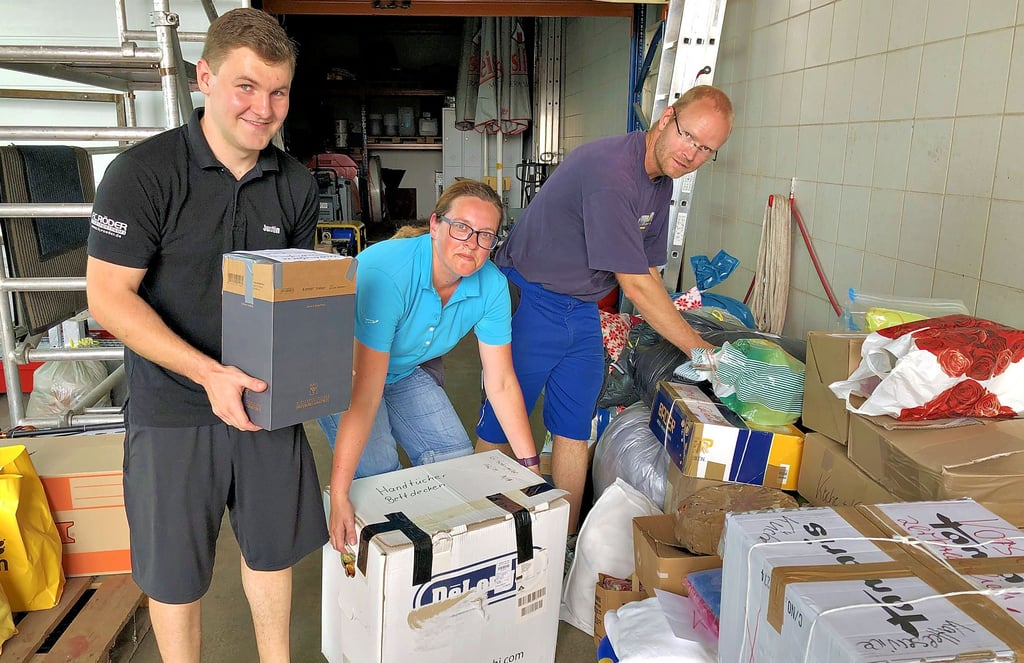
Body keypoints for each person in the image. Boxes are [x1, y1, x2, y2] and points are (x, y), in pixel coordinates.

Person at [85, 9, 325, 662]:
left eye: (278, 91)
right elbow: (108, 297)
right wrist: (207, 373)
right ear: (205, 78)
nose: (264, 107)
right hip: (173, 409)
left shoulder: (298, 185)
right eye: (247, 86)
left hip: (265, 404)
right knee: (176, 574)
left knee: (273, 552)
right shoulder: (142, 174)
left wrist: (311, 375)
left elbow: (294, 294)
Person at [476, 85, 734, 535]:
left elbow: (649, 270)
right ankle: (479, 538)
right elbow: (632, 281)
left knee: (574, 429)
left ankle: (563, 545)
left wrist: (688, 333)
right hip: (529, 298)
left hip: (581, 309)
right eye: (689, 136)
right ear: (667, 117)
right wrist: (700, 350)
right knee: (502, 423)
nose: (693, 153)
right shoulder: (612, 170)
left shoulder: (661, 184)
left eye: (707, 149)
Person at [322, 179, 541, 551]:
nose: (471, 244)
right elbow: (366, 391)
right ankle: (389, 565)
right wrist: (340, 493)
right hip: (343, 371)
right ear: (436, 224)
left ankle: (442, 561)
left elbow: (501, 382)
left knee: (455, 461)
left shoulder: (491, 286)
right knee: (378, 476)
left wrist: (531, 469)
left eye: (485, 235)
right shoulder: (386, 275)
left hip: (405, 369)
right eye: (461, 228)